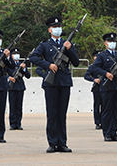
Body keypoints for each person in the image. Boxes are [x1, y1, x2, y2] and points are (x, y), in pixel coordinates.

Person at [29, 16, 79, 153]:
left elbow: (76, 62)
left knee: (62, 114)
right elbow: (32, 57)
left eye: (59, 27)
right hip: (51, 83)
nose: (58, 29)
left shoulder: (67, 44)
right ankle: (52, 143)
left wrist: (69, 49)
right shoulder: (44, 45)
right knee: (52, 114)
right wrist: (48, 65)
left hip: (64, 82)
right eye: (55, 27)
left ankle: (62, 143)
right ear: (50, 29)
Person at [90, 32, 117, 142]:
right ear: (105, 43)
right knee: (107, 110)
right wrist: (106, 73)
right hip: (107, 86)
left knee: (116, 110)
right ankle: (107, 133)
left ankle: (114, 132)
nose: (112, 43)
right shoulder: (102, 56)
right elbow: (94, 68)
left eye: (113, 41)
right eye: (110, 41)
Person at [8, 47, 30, 130]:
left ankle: (18, 123)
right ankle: (13, 123)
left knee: (19, 106)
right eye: (14, 54)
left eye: (17, 54)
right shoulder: (9, 64)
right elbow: (5, 73)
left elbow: (28, 76)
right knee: (12, 106)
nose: (16, 55)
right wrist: (9, 78)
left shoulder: (21, 64)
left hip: (20, 86)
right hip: (12, 86)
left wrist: (24, 69)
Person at [84, 50, 103, 130]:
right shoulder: (92, 67)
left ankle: (104, 121)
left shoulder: (105, 66)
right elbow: (86, 76)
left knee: (105, 106)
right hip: (97, 88)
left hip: (106, 87)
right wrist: (94, 79)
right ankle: (97, 122)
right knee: (97, 105)